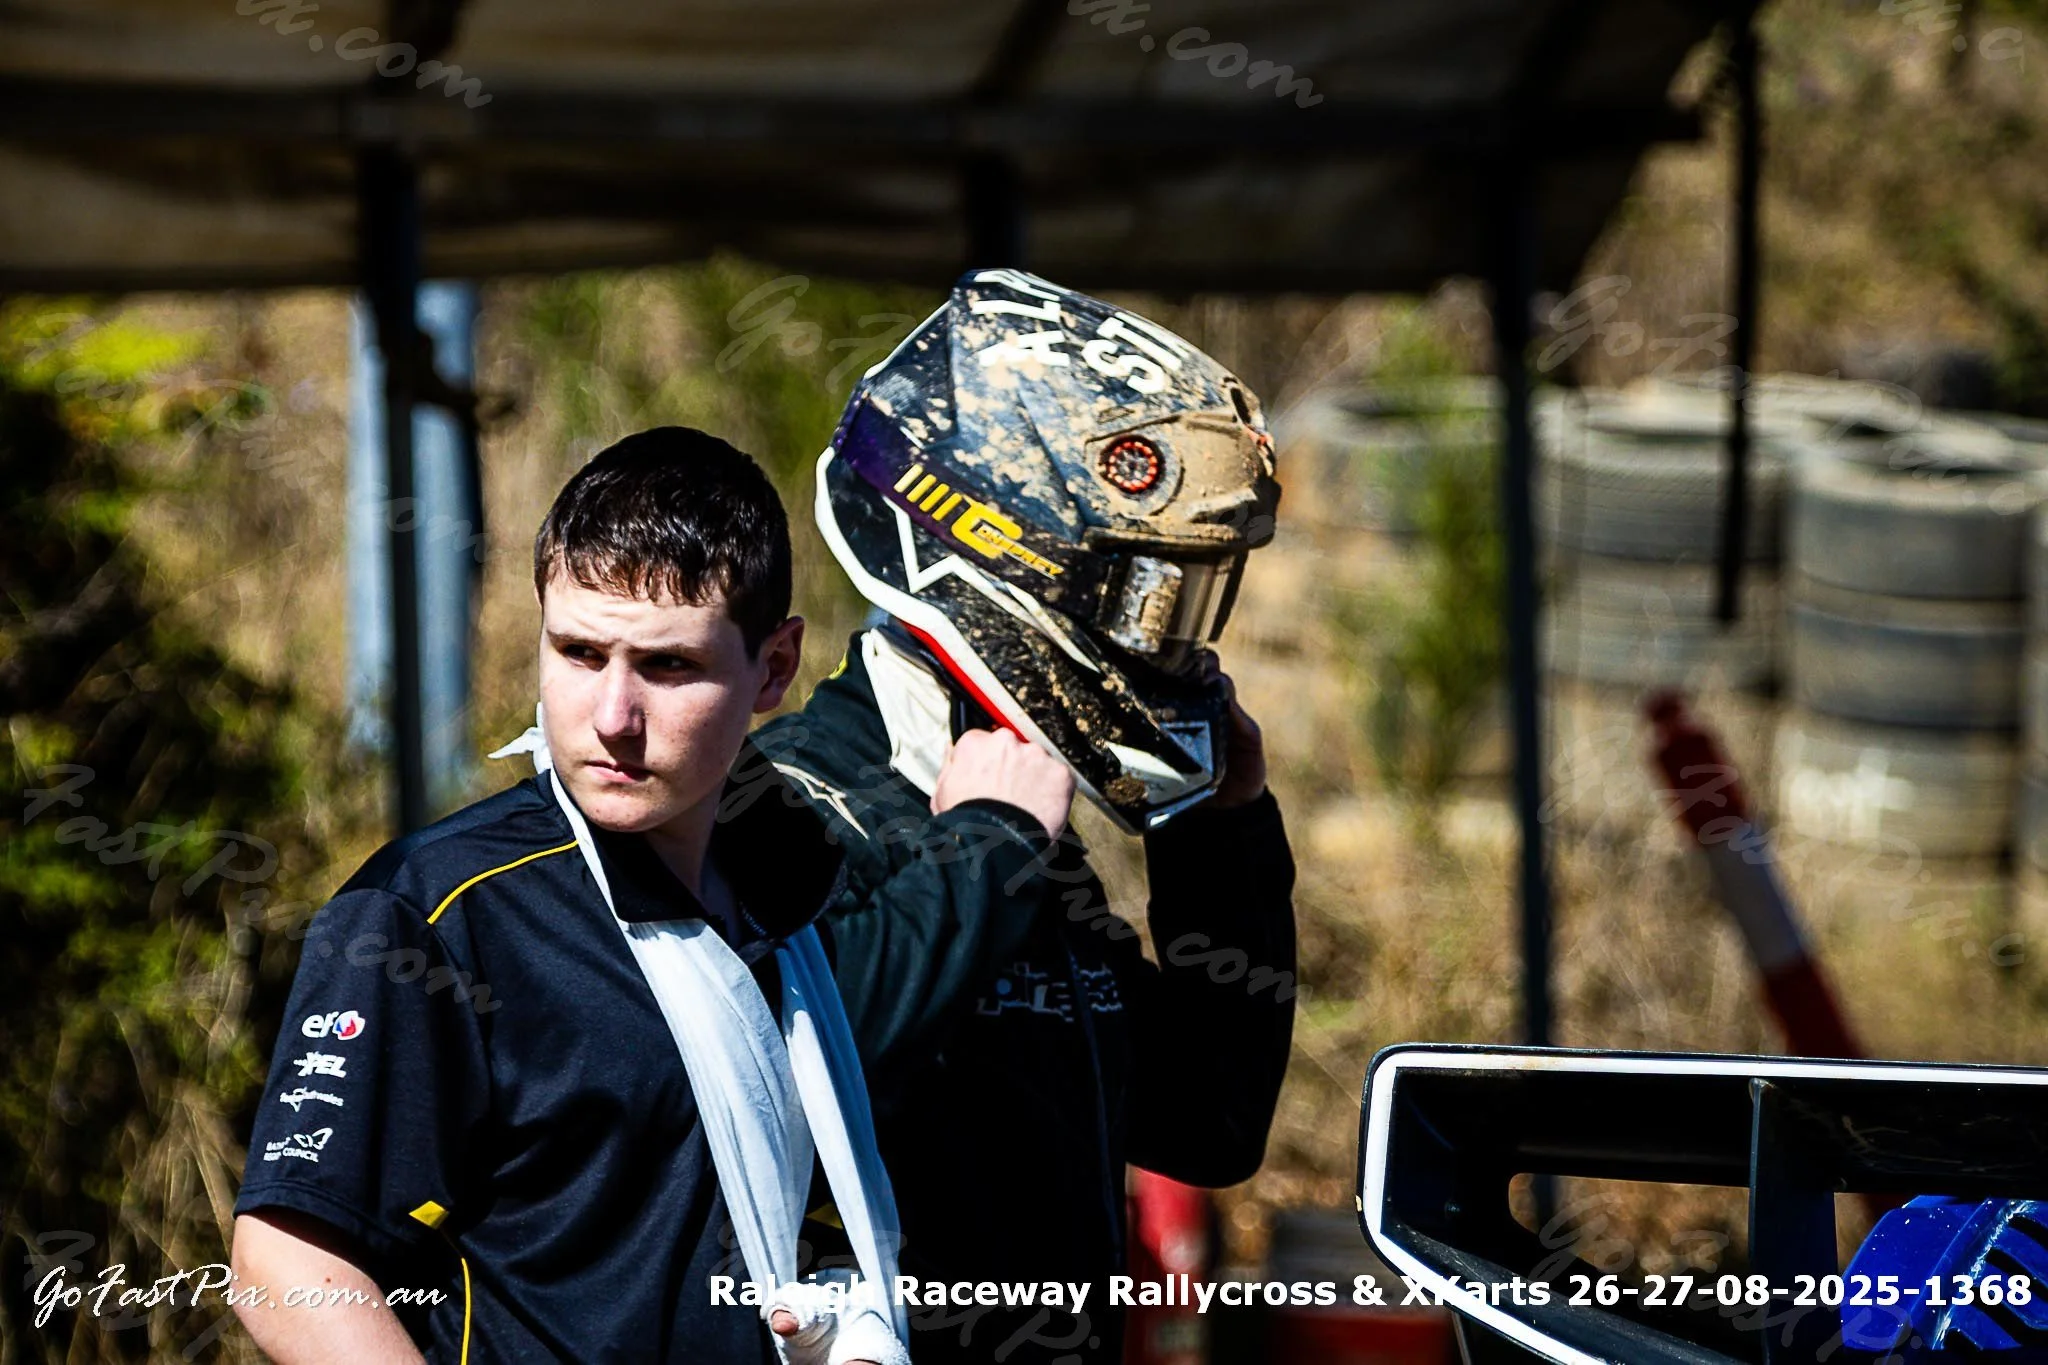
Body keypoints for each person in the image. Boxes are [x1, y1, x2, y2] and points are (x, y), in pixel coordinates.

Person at [230, 428, 908, 1364]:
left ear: (776, 667)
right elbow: (287, 1263)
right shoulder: (432, 915)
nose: (612, 717)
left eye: (669, 666)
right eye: (580, 652)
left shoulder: (792, 894)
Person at [754, 270, 1298, 1363]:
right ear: (1012, 560)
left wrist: (1216, 831)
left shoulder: (1021, 821)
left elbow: (1208, 1120)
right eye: (1150, 599)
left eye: (1192, 604)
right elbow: (779, 1107)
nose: (1174, 644)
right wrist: (979, 857)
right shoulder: (778, 813)